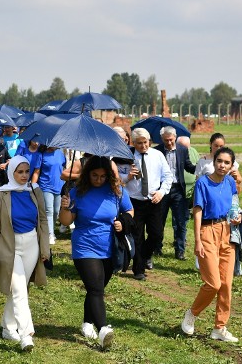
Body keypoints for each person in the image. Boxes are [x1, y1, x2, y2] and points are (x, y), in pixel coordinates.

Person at [60, 156, 134, 349]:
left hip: (109, 247)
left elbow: (130, 210)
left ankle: (87, 323)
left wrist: (123, 221)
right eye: (95, 175)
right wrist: (65, 206)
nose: (99, 179)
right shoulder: (77, 192)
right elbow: (66, 221)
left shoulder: (116, 191)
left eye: (103, 176)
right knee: (95, 289)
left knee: (97, 288)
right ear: (87, 174)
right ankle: (103, 330)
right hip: (85, 246)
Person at [0, 155, 50, 351]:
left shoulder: (35, 191)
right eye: (19, 172)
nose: (24, 175)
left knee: (20, 290)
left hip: (31, 245)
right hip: (7, 247)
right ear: (11, 172)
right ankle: (26, 334)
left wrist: (45, 248)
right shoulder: (0, 194)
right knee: (20, 290)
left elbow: (44, 221)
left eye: (26, 171)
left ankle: (7, 327)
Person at [181, 147, 242, 343]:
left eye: (227, 163)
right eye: (220, 161)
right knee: (213, 283)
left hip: (227, 232)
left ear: (232, 165)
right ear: (214, 162)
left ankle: (219, 327)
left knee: (226, 285)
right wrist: (198, 240)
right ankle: (192, 313)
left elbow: (234, 204)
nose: (222, 165)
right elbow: (197, 211)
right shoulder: (203, 183)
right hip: (207, 232)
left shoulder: (231, 182)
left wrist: (237, 216)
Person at [119, 128, 172, 280]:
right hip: (134, 201)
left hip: (153, 200)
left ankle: (145, 255)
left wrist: (162, 192)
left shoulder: (157, 155)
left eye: (145, 142)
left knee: (156, 234)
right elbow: (117, 178)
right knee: (137, 237)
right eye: (139, 143)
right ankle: (138, 270)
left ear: (149, 141)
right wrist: (128, 176)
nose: (143, 146)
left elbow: (168, 176)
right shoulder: (126, 157)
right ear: (133, 143)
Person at [154, 127, 196, 260]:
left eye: (171, 140)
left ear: (175, 137)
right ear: (162, 139)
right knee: (159, 220)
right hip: (162, 190)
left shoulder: (182, 150)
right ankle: (157, 248)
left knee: (180, 221)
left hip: (178, 189)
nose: (169, 143)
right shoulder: (157, 151)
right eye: (166, 140)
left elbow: (188, 166)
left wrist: (200, 168)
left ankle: (180, 250)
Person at [31, 146, 66, 245]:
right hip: (45, 186)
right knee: (49, 211)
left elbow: (63, 168)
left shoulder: (60, 153)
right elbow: (36, 172)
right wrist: (32, 186)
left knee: (56, 211)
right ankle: (50, 234)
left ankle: (51, 229)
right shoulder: (41, 154)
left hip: (59, 186)